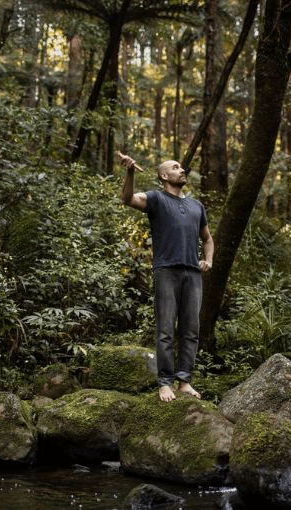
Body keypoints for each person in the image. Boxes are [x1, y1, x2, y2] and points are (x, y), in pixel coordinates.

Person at [118, 151, 214, 402]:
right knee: (166, 330)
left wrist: (209, 260)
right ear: (164, 175)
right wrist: (129, 172)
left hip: (193, 273)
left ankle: (184, 382)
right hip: (166, 271)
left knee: (191, 330)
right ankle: (164, 383)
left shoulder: (196, 205)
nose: (182, 170)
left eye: (181, 167)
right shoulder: (156, 199)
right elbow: (127, 199)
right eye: (175, 167)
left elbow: (207, 239)